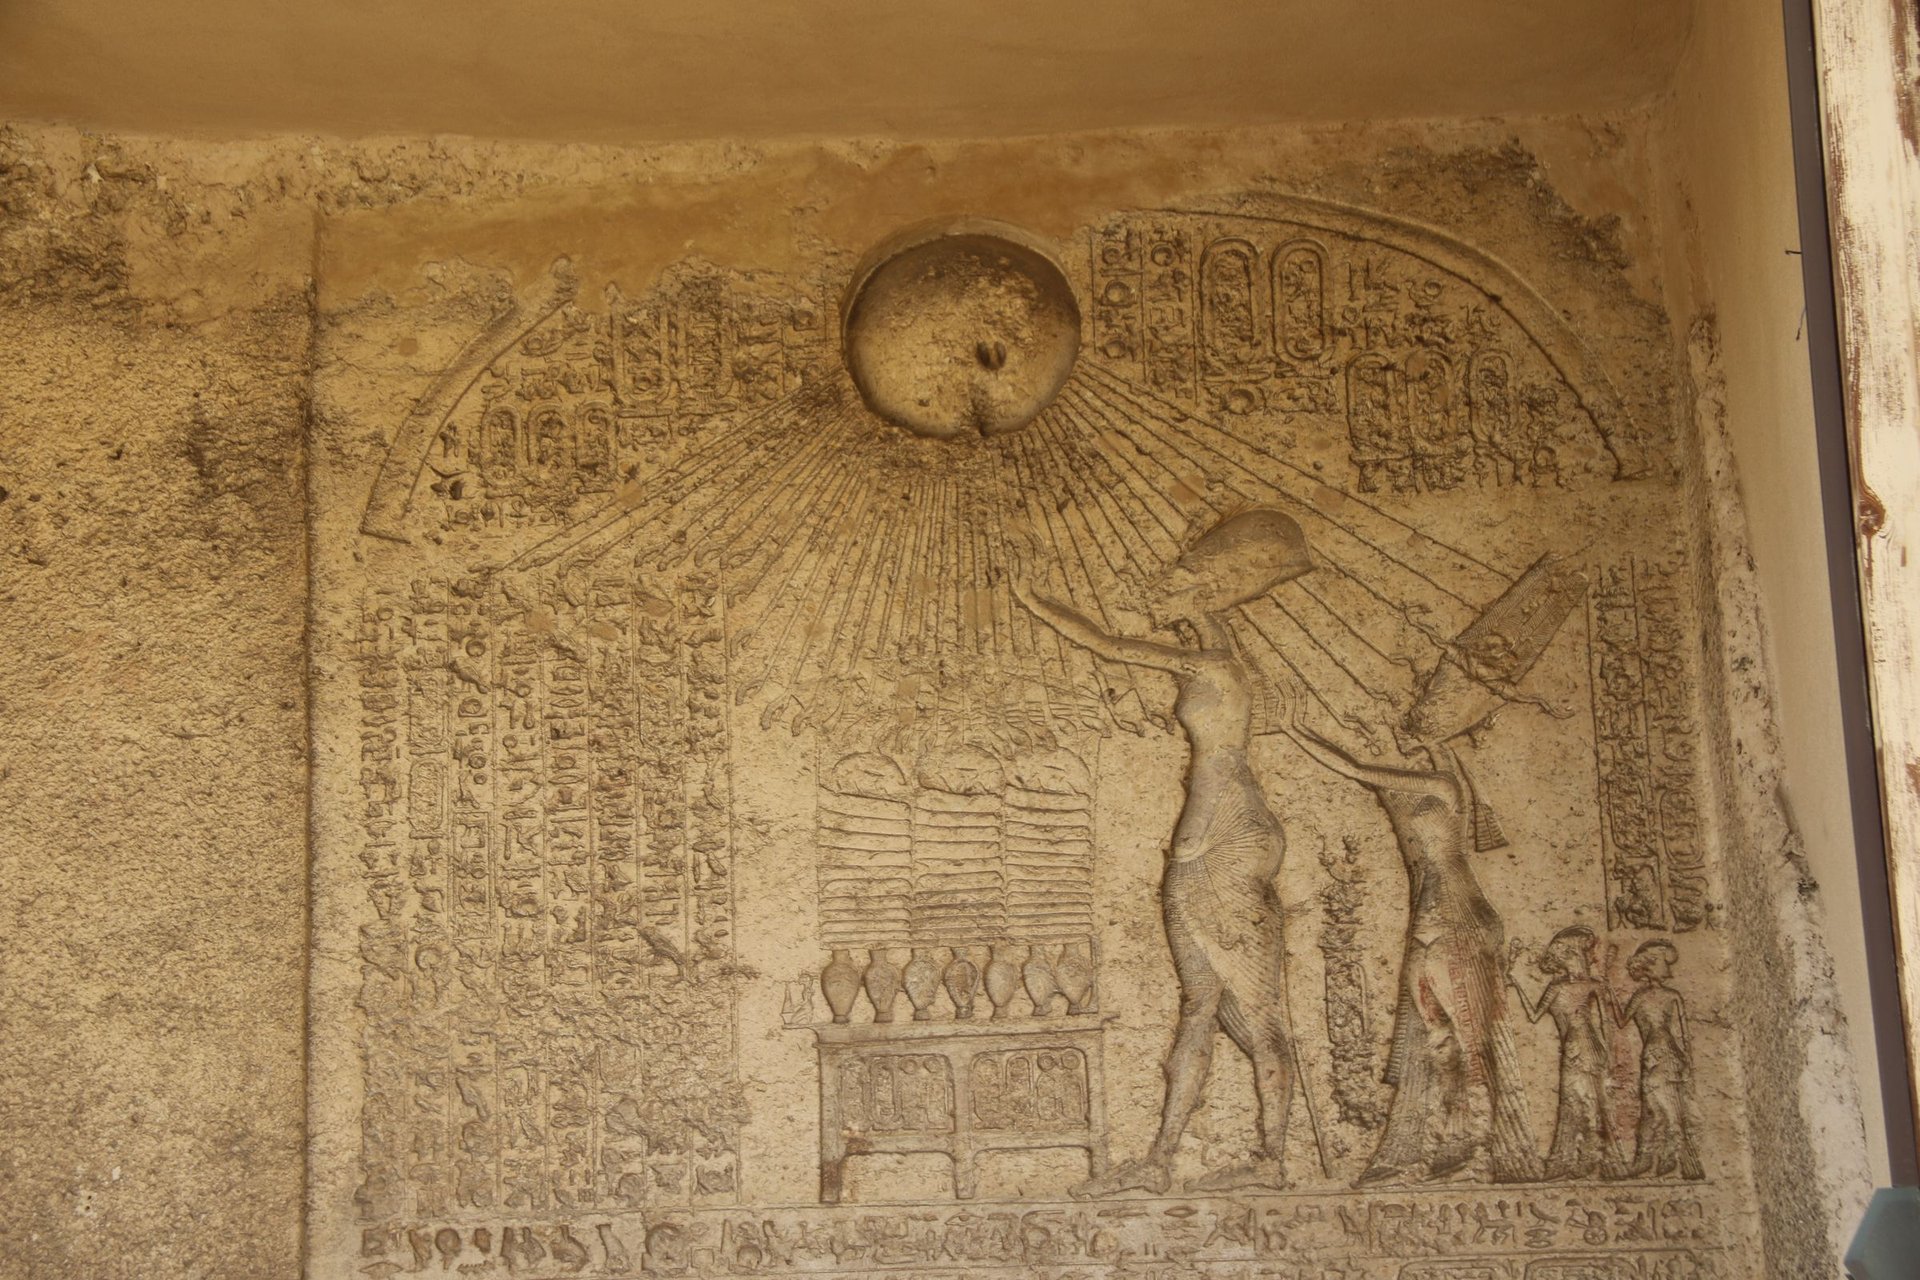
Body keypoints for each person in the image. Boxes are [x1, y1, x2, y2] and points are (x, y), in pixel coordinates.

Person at [1012, 508, 1312, 1195]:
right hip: (1213, 836)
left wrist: (1033, 595)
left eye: (1175, 583)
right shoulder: (1217, 646)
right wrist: (1191, 600)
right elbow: (1189, 618)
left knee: (1255, 1012)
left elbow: (1107, 644)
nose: (1157, 593)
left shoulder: (1211, 664)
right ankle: (1161, 1159)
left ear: (1203, 591)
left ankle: (1271, 1159)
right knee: (1199, 1006)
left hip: (1224, 835)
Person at [1283, 715, 1542, 1185]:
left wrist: (1295, 730)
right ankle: (1448, 1144)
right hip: (1428, 922)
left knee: (1472, 1044)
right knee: (1439, 1043)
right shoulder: (1419, 784)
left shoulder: (1442, 783)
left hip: (1462, 919)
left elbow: (1359, 769)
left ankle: (1482, 1151)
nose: (1402, 732)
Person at [1509, 925, 1616, 1179]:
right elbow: (1534, 1016)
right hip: (1574, 1050)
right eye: (1586, 952)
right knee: (1573, 1101)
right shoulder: (1556, 987)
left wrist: (1609, 1056)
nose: (1591, 957)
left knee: (1595, 1101)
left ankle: (1595, 1157)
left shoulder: (1594, 985)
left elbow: (1606, 1024)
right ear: (1573, 954)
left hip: (1593, 1050)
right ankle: (1568, 1159)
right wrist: (1517, 983)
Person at [1620, 939, 1703, 1180]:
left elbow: (1684, 1034)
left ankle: (1673, 1159)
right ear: (1649, 965)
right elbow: (1621, 1021)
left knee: (1671, 1108)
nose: (1668, 969)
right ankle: (1646, 1158)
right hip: (1652, 1056)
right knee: (1652, 1107)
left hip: (1670, 1056)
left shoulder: (1672, 996)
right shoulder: (1640, 997)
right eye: (1664, 963)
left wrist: (1688, 1062)